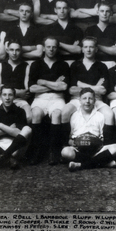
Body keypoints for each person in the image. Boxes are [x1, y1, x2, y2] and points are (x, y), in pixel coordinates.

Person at [61, 37, 115, 146]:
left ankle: (106, 148)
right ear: (82, 49)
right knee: (64, 112)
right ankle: (65, 146)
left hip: (97, 100)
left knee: (109, 114)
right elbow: (71, 90)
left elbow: (103, 90)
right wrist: (95, 87)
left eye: (91, 47)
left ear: (96, 49)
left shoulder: (102, 66)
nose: (88, 50)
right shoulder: (75, 65)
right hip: (77, 99)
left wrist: (80, 84)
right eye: (86, 47)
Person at [28, 36, 70, 165]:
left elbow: (63, 87)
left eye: (54, 47)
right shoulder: (36, 64)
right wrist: (54, 85)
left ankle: (54, 152)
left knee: (57, 114)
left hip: (58, 98)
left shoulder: (63, 64)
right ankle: (36, 151)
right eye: (48, 47)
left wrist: (43, 82)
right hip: (40, 98)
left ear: (57, 48)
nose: (51, 49)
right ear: (44, 48)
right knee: (35, 114)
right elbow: (32, 88)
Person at [61, 88, 116, 172]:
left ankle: (80, 165)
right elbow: (70, 137)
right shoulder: (74, 116)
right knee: (65, 152)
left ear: (94, 100)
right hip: (79, 149)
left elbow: (102, 136)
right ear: (79, 100)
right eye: (84, 98)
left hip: (96, 150)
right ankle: (102, 162)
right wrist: (71, 142)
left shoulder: (100, 115)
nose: (87, 101)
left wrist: (99, 141)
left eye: (90, 98)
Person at [0, 39, 32, 124]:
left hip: (19, 100)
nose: (14, 53)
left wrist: (4, 87)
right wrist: (19, 91)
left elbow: (27, 93)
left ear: (20, 51)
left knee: (29, 117)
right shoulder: (0, 65)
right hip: (2, 100)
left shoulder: (26, 66)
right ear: (7, 50)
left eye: (17, 50)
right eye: (12, 50)